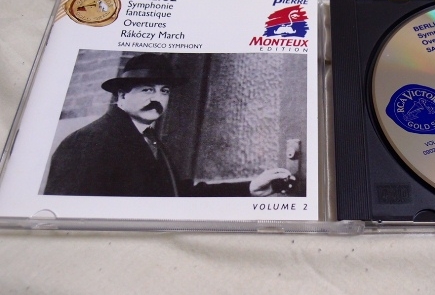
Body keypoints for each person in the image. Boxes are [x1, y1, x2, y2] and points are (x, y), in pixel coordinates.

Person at [44, 53, 294, 197]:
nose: (157, 98)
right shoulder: (87, 142)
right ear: (121, 95)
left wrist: (250, 187)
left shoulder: (151, 139)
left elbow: (176, 195)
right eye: (147, 90)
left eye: (164, 91)